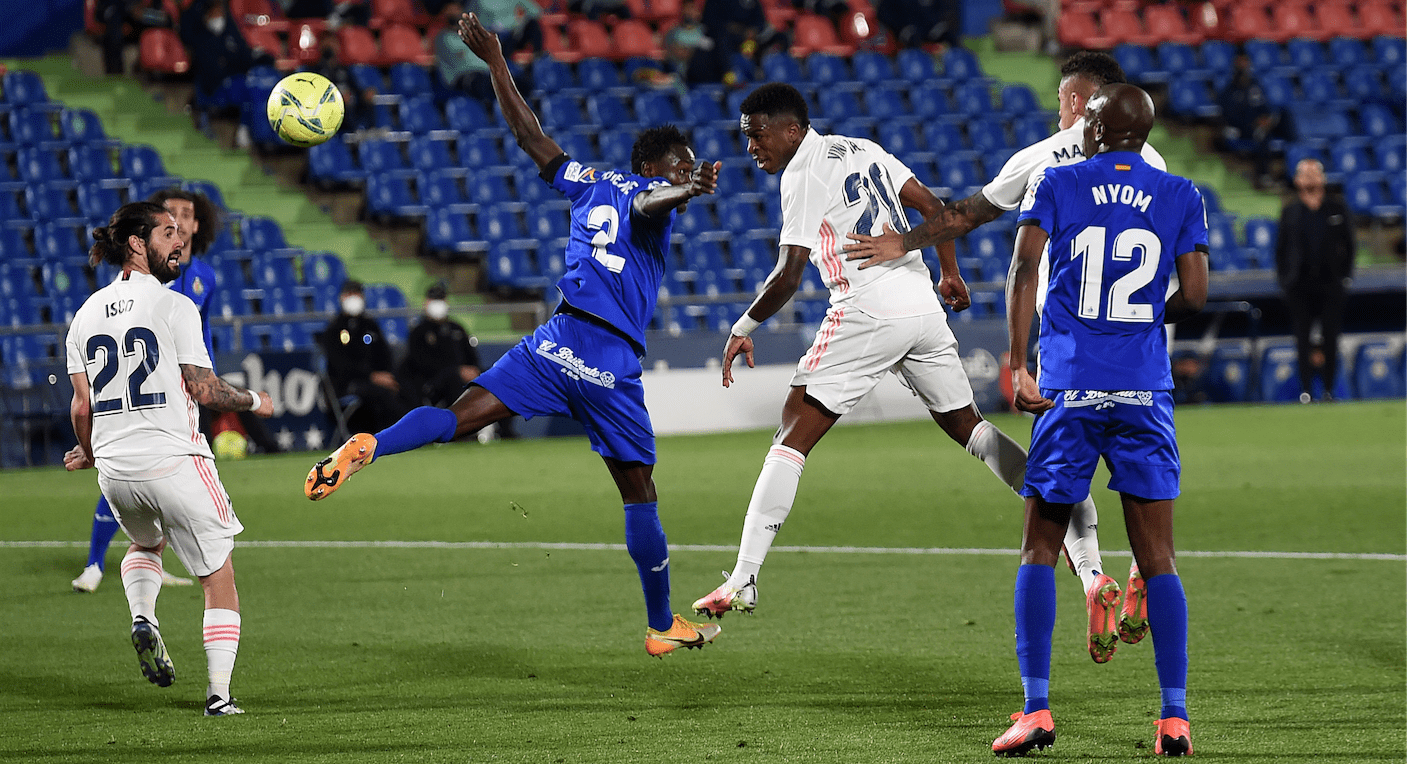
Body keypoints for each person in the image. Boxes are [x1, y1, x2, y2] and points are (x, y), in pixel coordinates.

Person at [303, 11, 724, 658]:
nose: (686, 174)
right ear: (653, 164)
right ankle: (661, 622)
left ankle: (370, 445)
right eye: (680, 165)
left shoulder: (587, 181)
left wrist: (495, 60)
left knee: (457, 418)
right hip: (609, 359)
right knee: (638, 490)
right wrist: (684, 189)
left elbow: (529, 136)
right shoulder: (645, 193)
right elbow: (647, 204)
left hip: (554, 342)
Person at [843, 50, 1163, 662]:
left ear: (1077, 100)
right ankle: (1147, 568)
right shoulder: (1151, 159)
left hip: (1067, 342)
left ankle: (1093, 578)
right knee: (1144, 478)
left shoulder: (1041, 161)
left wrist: (902, 242)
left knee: (1055, 480)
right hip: (1137, 342)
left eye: (1063, 99)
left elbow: (971, 219)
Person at [688, 83, 1033, 634]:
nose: (750, 145)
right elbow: (934, 209)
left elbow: (788, 275)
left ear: (792, 130)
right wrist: (949, 270)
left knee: (792, 434)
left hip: (867, 309)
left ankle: (744, 576)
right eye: (745, 135)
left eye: (757, 133)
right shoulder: (864, 148)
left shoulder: (802, 170)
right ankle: (1063, 519)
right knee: (969, 427)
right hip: (921, 307)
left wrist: (742, 327)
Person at [994, 83, 1207, 757]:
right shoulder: (1180, 194)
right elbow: (1195, 295)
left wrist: (1015, 362)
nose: (1079, 123)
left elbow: (1023, 268)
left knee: (1038, 544)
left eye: (1085, 115)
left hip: (1069, 388)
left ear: (1095, 126)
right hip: (1144, 389)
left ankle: (1035, 710)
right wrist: (1143, 316)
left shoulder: (1056, 182)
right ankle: (1173, 719)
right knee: (1159, 558)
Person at [64, 202, 276, 716]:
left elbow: (82, 403)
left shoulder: (84, 315)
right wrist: (254, 401)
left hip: (115, 470)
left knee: (144, 541)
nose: (178, 241)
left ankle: (144, 618)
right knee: (217, 576)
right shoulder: (175, 306)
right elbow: (204, 390)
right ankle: (220, 696)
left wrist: (91, 452)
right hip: (175, 459)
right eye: (166, 233)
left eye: (180, 232)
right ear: (137, 243)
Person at [1275, 158, 1355, 404]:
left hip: (1330, 284)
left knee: (1331, 338)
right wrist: (1284, 280)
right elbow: (1280, 250)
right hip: (1299, 285)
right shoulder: (1290, 211)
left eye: (1314, 173)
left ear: (1323, 178)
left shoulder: (1337, 209)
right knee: (1302, 338)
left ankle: (1329, 391)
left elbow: (1349, 246)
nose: (1309, 178)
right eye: (1304, 173)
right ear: (1297, 180)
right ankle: (1306, 391)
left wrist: (1345, 277)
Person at [320, 279, 407, 434]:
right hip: (347, 384)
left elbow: (384, 354)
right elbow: (340, 366)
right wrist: (371, 376)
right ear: (342, 297)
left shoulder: (370, 325)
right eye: (350, 293)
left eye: (357, 293)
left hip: (376, 380)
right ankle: (397, 435)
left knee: (406, 387)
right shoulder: (334, 329)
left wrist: (388, 374)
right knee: (379, 394)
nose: (354, 298)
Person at [398, 282, 481, 408]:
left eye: (440, 299)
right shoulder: (419, 332)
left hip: (461, 375)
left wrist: (474, 370)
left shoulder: (456, 329)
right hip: (434, 382)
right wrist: (456, 370)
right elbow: (421, 363)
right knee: (454, 380)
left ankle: (499, 426)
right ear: (425, 303)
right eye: (433, 299)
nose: (437, 304)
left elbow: (471, 356)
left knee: (493, 378)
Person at [1216, 54, 1288, 190]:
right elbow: (1230, 116)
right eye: (1242, 69)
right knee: (1262, 135)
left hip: (1262, 124)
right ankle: (1263, 176)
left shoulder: (1255, 86)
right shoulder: (1229, 91)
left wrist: (1267, 118)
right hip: (1242, 128)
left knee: (1285, 115)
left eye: (1247, 67)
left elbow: (1265, 106)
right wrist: (1254, 123)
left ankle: (1292, 163)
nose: (1246, 71)